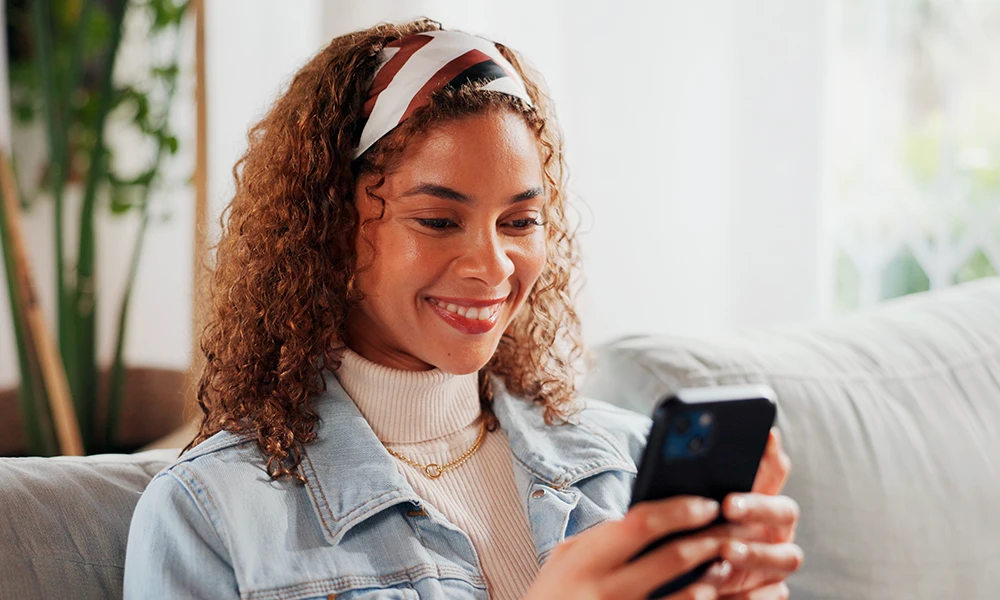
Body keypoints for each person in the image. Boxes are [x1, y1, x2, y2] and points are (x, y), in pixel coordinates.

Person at [124, 19, 802, 600]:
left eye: (520, 221)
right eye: (440, 221)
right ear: (327, 228)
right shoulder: (210, 516)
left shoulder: (626, 467)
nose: (494, 266)